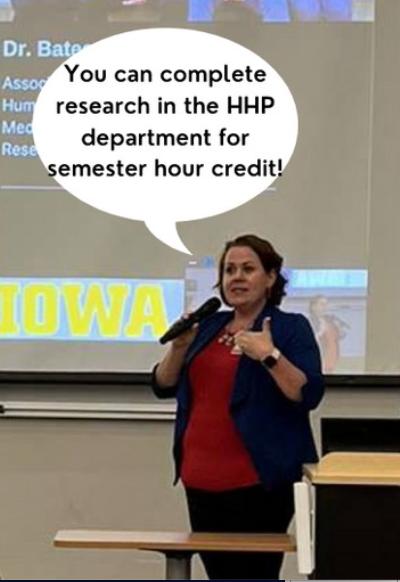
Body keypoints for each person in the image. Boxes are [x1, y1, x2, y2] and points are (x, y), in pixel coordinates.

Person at [152, 234, 324, 580]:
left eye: (248, 269)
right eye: (229, 270)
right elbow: (162, 384)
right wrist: (179, 347)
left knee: (253, 575)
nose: (237, 278)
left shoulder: (289, 328)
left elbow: (307, 393)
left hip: (260, 481)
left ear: (270, 277)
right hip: (200, 479)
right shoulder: (208, 327)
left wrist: (269, 355)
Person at [309, 294, 350, 373]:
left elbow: (339, 336)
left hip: (333, 358)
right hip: (320, 359)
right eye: (322, 304)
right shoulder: (309, 321)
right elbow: (310, 341)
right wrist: (321, 331)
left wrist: (339, 330)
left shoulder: (329, 319)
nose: (325, 307)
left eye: (326, 304)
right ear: (313, 306)